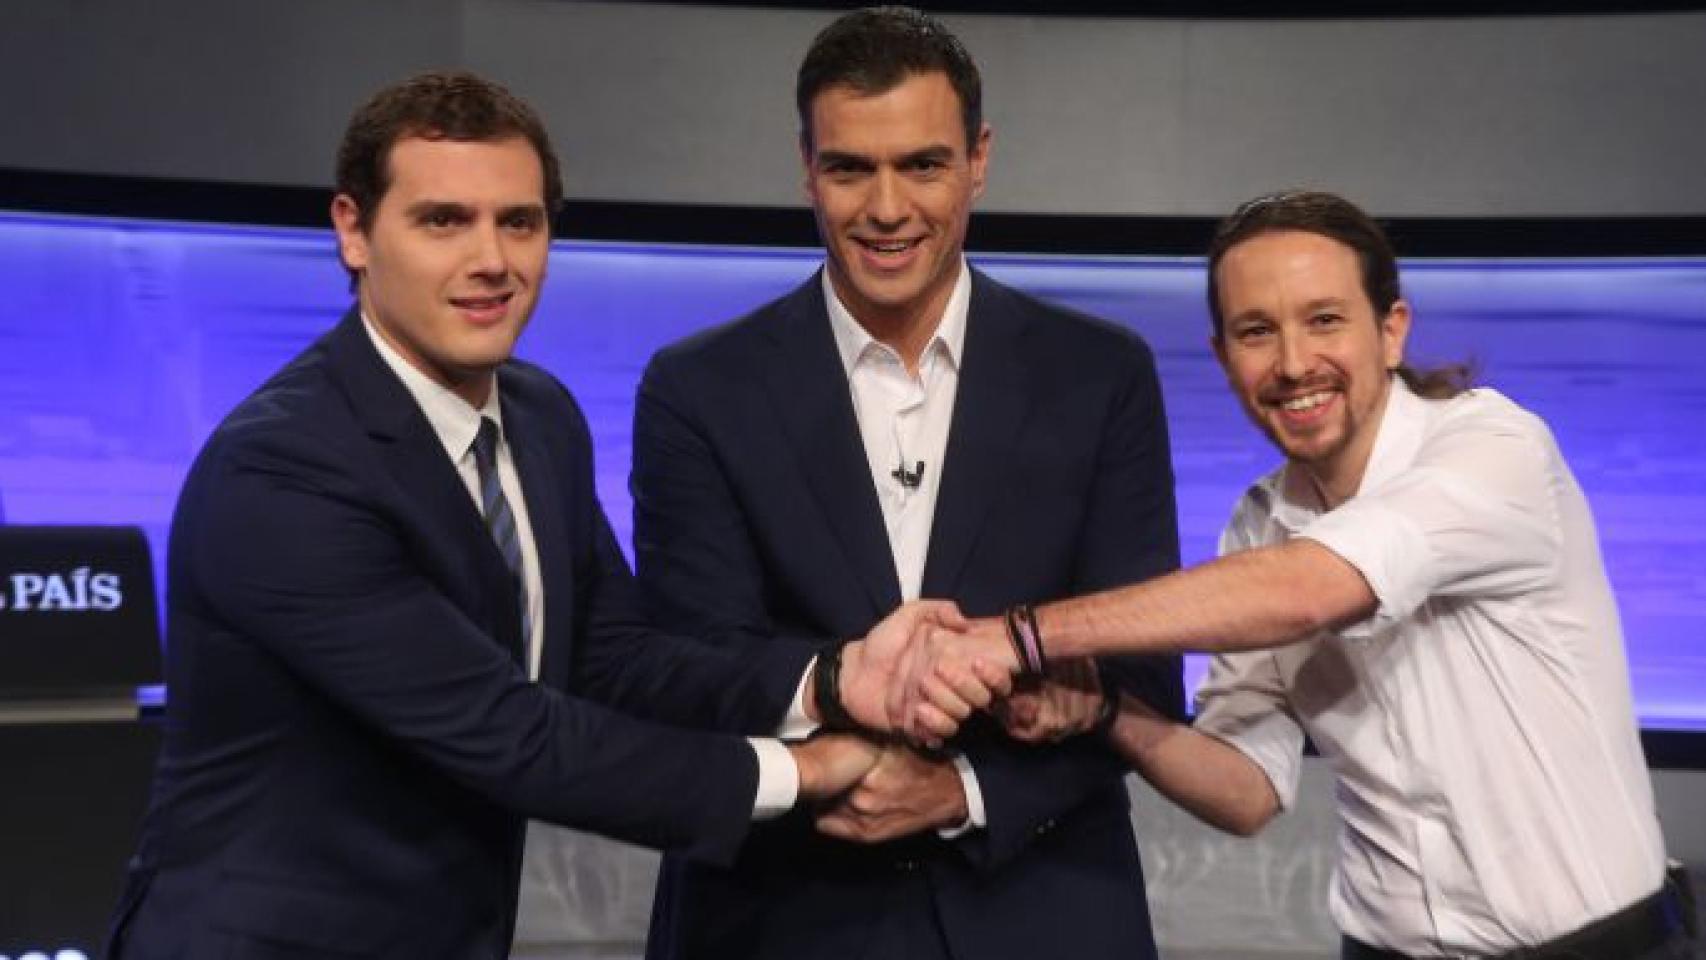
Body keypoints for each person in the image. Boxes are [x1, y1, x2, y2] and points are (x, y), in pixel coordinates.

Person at [105, 70, 946, 960]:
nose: (492, 262)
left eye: (520, 221)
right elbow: (512, 735)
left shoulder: (541, 418)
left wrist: (829, 681)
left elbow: (612, 657)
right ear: (353, 230)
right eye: (443, 221)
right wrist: (808, 770)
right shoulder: (282, 469)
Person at [896, 190, 1689, 959]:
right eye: (1255, 332)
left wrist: (1019, 637)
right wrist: (1104, 712)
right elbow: (1245, 793)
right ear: (1223, 358)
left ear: (1391, 330)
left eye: (1325, 321)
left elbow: (1310, 590)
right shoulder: (1257, 529)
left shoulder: (1497, 448)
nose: (1293, 362)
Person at [629, 8, 1183, 960]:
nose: (887, 209)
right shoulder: (698, 389)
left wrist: (964, 792)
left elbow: (1143, 676)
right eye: (850, 169)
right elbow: (690, 671)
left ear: (979, 158)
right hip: (781, 912)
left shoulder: (1100, 376)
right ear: (807, 168)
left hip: (1040, 908)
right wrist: (843, 703)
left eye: (923, 165)